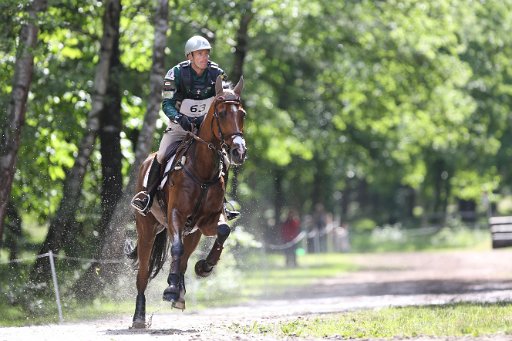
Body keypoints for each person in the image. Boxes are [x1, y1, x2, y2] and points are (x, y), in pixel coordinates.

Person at [131, 35, 240, 220]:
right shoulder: (175, 74)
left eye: (206, 53)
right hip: (180, 126)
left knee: (225, 160)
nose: (204, 57)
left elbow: (224, 100)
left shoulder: (217, 74)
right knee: (162, 154)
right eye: (200, 54)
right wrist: (179, 118)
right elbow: (167, 103)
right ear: (190, 56)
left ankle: (222, 203)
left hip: (206, 128)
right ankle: (147, 196)